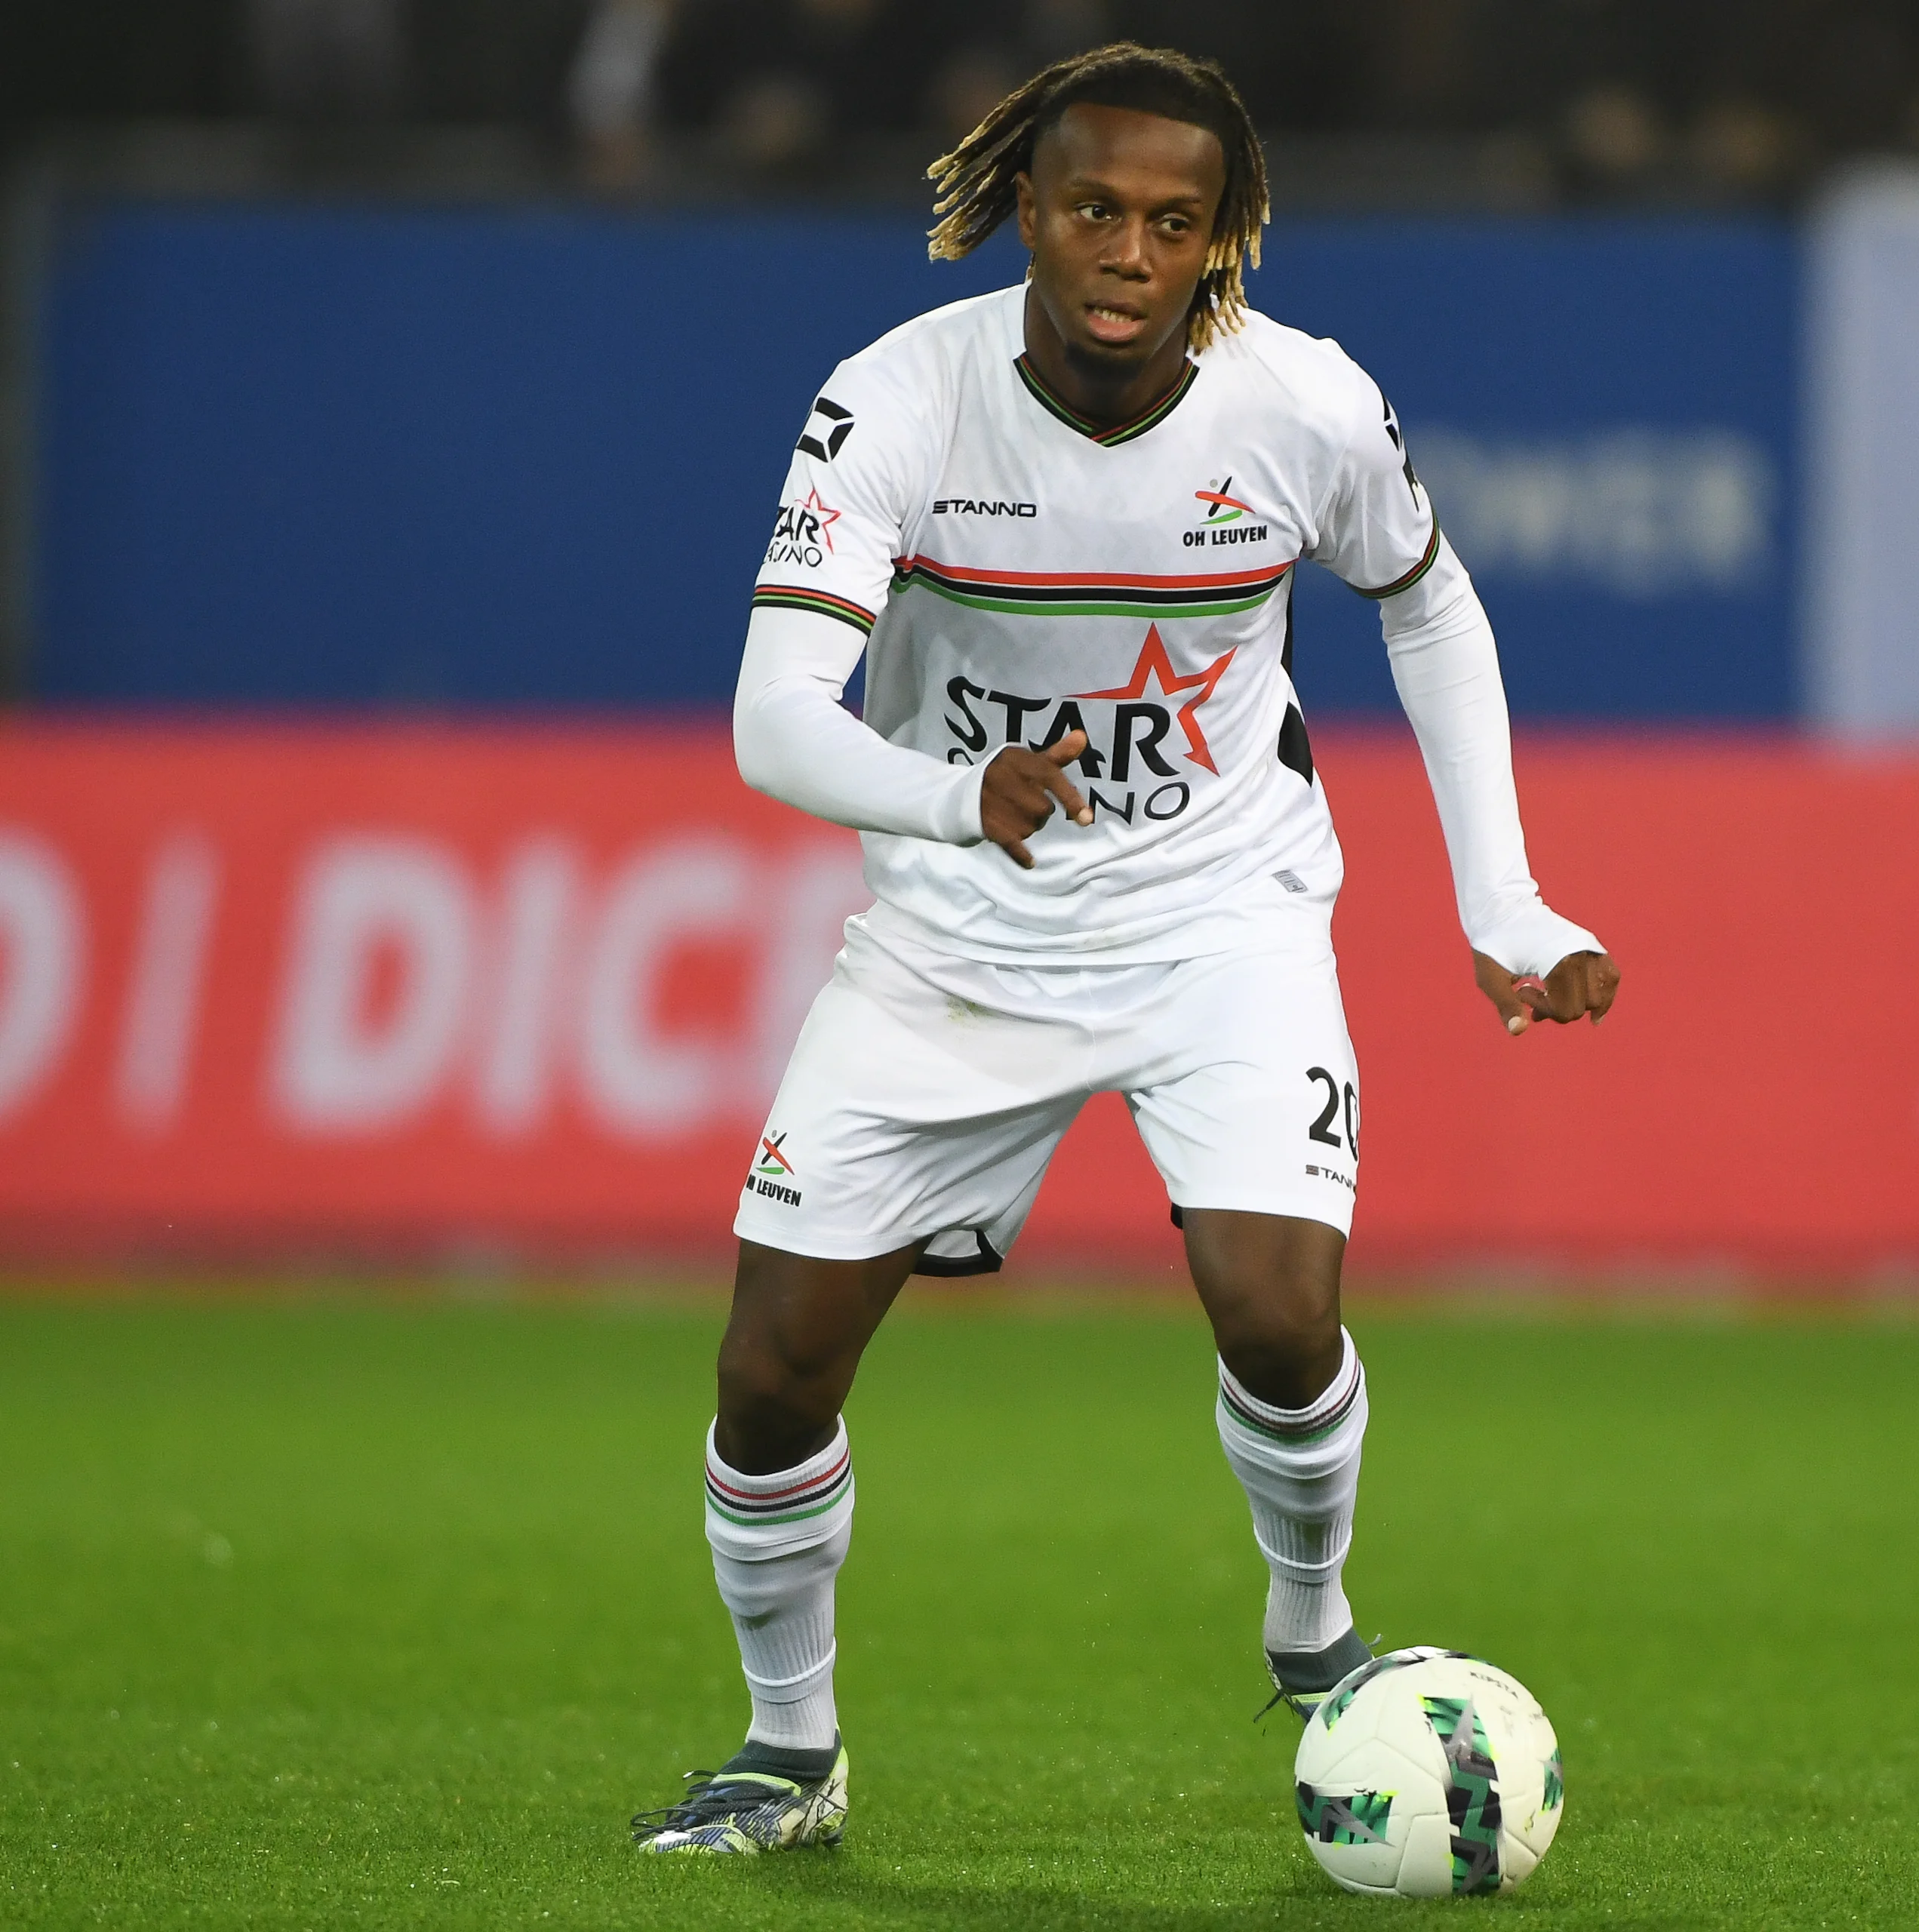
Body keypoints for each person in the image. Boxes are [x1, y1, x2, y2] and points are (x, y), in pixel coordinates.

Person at [629, 39, 1621, 1856]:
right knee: (770, 1367)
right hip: (952, 938)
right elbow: (778, 715)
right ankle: (789, 1749)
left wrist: (1503, 899)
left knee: (1278, 1304)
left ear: (1222, 239)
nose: (1128, 254)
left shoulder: (1304, 406)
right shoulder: (898, 402)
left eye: (1177, 222)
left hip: (1218, 916)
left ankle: (1314, 1627)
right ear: (1028, 208)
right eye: (1094, 209)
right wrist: (954, 801)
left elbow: (1429, 599)